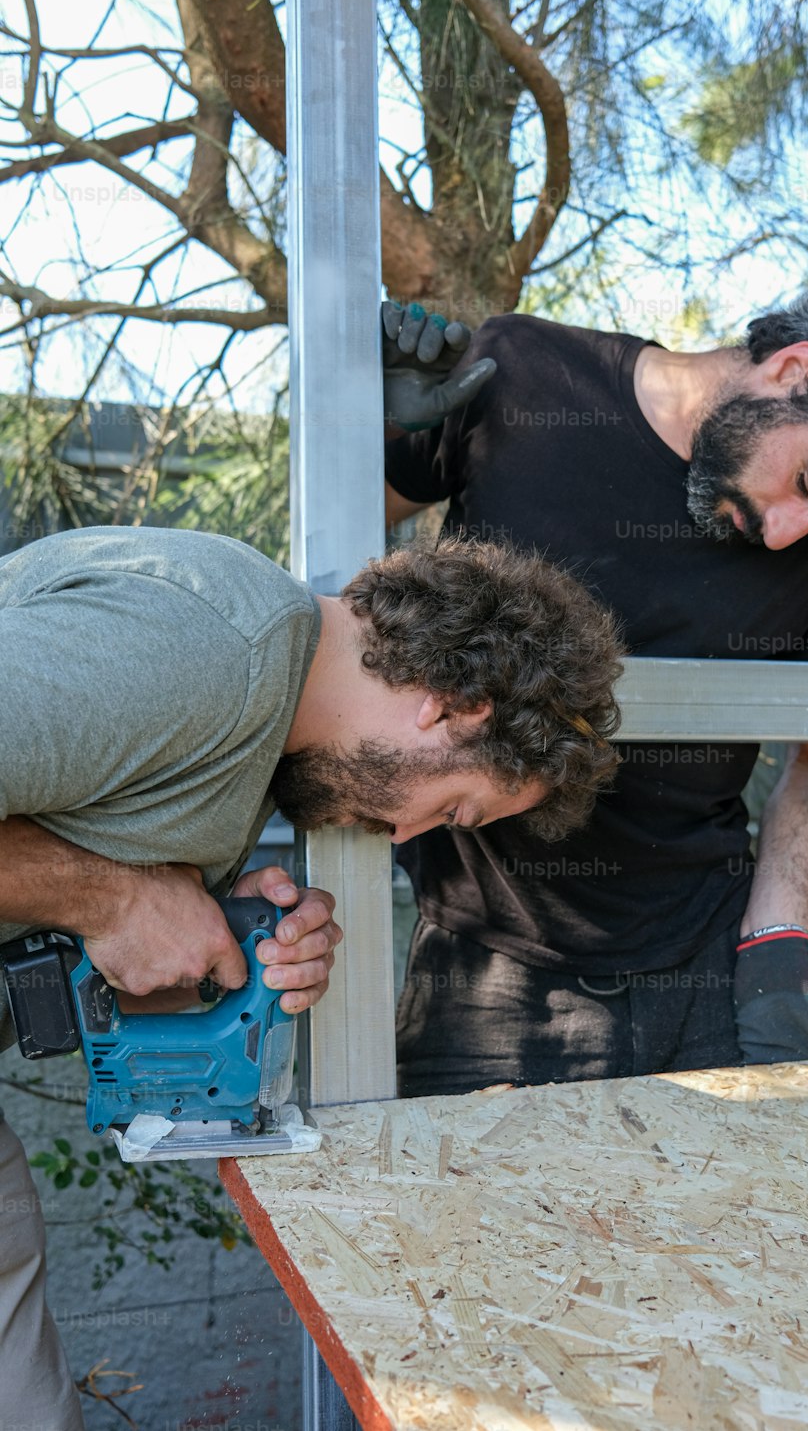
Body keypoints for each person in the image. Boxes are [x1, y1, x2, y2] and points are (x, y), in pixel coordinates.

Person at [0, 523, 623, 1431]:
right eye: (452, 807)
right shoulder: (203, 651)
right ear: (454, 702)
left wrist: (197, 922)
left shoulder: (254, 720)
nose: (409, 838)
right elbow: (99, 891)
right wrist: (109, 896)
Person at [381, 291, 808, 1100]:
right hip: (488, 974)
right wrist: (375, 431)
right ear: (790, 369)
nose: (783, 534)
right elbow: (343, 561)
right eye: (803, 483)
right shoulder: (526, 375)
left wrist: (778, 940)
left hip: (702, 963)